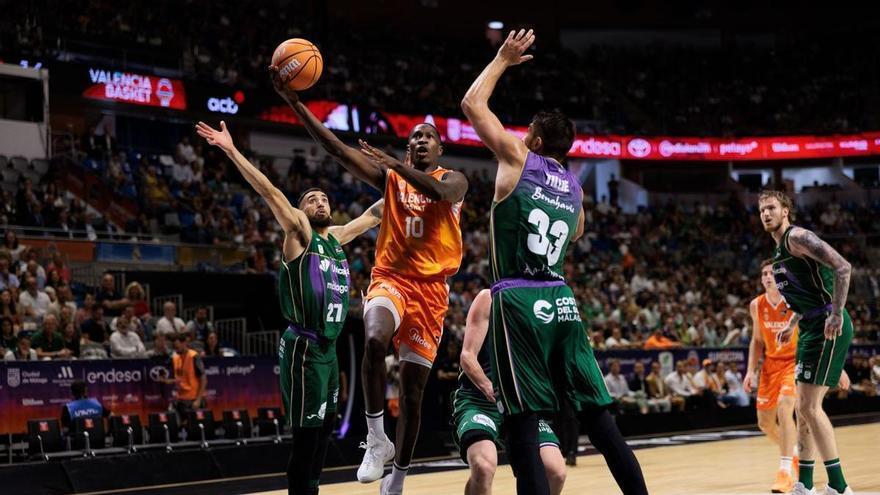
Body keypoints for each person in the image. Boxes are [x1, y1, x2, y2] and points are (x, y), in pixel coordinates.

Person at [461, 29, 647, 495]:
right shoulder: (574, 185)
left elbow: (471, 106)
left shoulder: (518, 157)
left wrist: (502, 60)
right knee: (601, 421)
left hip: (519, 300)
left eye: (528, 132)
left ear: (537, 139)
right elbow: (577, 231)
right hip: (562, 300)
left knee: (523, 422)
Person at [270, 64, 468, 495]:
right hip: (391, 278)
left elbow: (442, 195)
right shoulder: (392, 179)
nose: (419, 140)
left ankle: (397, 477)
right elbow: (338, 150)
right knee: (375, 340)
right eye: (414, 136)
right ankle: (376, 438)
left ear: (438, 148)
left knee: (413, 397)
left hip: (432, 291)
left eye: (426, 137)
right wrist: (295, 103)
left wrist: (396, 164)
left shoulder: (454, 179)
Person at [196, 119, 382, 495]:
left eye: (324, 198)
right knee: (307, 437)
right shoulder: (300, 233)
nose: (320, 202)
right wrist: (231, 150)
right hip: (304, 347)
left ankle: (311, 487)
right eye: (311, 199)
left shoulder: (337, 238)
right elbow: (270, 192)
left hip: (328, 350)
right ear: (300, 211)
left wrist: (405, 173)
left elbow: (375, 213)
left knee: (327, 429)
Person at [759, 190, 855, 495]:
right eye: (761, 210)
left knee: (811, 408)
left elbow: (843, 267)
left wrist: (837, 314)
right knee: (803, 408)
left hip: (829, 324)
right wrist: (790, 323)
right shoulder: (777, 256)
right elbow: (805, 296)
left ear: (785, 210)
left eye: (771, 208)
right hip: (811, 325)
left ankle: (839, 487)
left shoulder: (797, 237)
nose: (765, 214)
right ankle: (805, 483)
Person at [455, 289, 566, 495]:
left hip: (520, 404)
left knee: (555, 472)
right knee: (483, 467)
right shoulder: (488, 298)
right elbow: (467, 357)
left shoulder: (541, 305)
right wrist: (490, 387)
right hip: (481, 400)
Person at [743, 258, 801, 492]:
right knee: (765, 424)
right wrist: (750, 371)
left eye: (772, 273)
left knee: (785, 407)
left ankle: (785, 471)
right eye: (764, 274)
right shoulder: (756, 305)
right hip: (770, 365)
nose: (767, 277)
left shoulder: (795, 301)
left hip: (793, 363)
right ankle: (794, 453)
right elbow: (757, 341)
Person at [168, 334, 207, 423]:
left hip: (193, 400)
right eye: (174, 347)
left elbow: (203, 379)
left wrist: (198, 399)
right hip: (181, 400)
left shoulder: (194, 356)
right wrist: (167, 381)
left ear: (184, 343)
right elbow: (179, 379)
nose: (176, 349)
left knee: (194, 428)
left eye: (177, 346)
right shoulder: (175, 358)